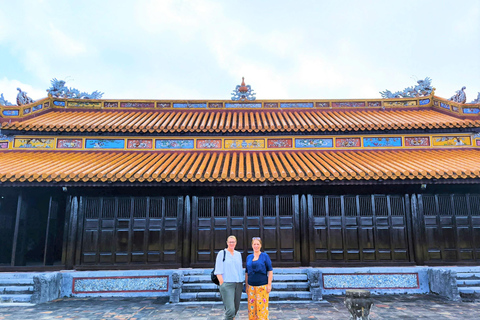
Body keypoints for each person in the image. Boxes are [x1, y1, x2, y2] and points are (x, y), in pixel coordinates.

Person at [214, 235, 244, 320]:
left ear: (236, 243)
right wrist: (222, 283)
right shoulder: (222, 253)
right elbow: (218, 270)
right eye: (230, 242)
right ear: (227, 243)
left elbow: (239, 269)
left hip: (238, 283)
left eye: (233, 242)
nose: (231, 243)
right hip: (227, 284)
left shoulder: (238, 254)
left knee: (235, 309)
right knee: (230, 310)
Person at [245, 237, 273, 320]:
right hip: (251, 287)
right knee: (252, 310)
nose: (256, 246)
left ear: (260, 245)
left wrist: (269, 285)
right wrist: (246, 286)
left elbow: (270, 270)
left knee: (262, 310)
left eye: (258, 244)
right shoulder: (249, 257)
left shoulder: (265, 256)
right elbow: (246, 272)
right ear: (252, 245)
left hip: (262, 286)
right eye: (254, 244)